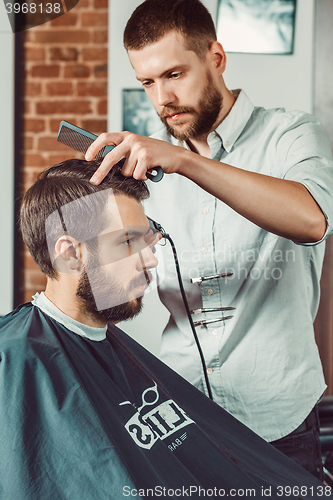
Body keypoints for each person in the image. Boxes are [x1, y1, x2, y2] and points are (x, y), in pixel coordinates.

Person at [85, 0, 333, 479]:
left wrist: (184, 162)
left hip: (280, 424)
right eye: (148, 82)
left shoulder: (292, 134)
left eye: (174, 74)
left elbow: (313, 219)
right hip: (183, 419)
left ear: (216, 57)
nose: (162, 99)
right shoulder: (146, 169)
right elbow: (115, 293)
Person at [0, 159, 327, 498]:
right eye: (127, 241)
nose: (152, 259)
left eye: (147, 239)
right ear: (70, 254)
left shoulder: (109, 344)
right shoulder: (15, 359)